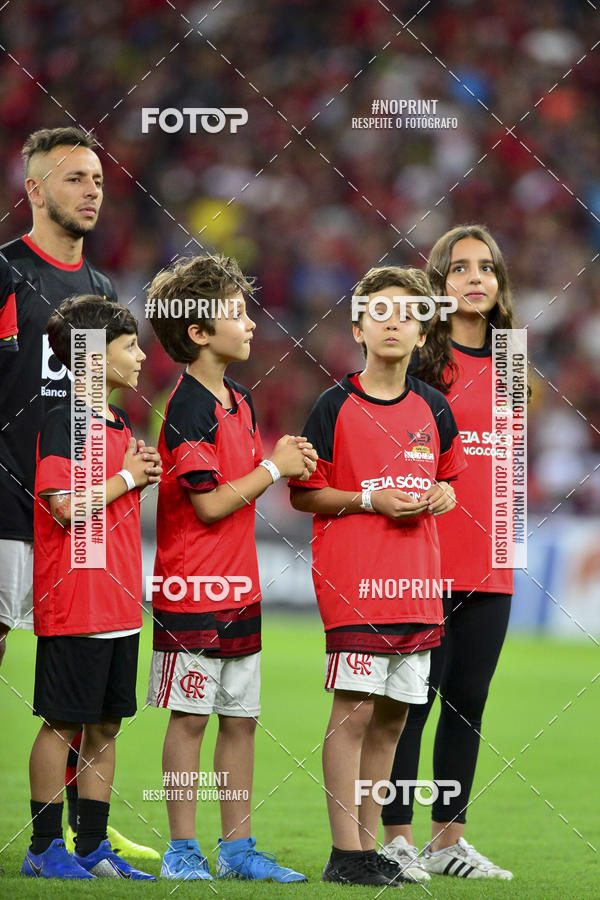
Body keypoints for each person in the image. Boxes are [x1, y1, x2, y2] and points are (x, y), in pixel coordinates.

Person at [0, 126, 159, 861]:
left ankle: (69, 831)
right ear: (34, 190)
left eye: (97, 179)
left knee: (82, 697)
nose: (92, 190)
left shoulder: (99, 292)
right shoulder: (3, 275)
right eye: (73, 179)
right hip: (8, 511)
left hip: (76, 527)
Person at [289, 266, 467, 887]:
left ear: (423, 334)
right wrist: (369, 500)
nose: (394, 323)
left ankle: (370, 849)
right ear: (359, 326)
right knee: (355, 713)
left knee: (394, 718)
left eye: (409, 315)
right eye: (381, 312)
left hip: (419, 587)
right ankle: (345, 852)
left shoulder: (435, 408)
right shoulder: (333, 406)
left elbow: (448, 479)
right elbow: (305, 496)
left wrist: (443, 496)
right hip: (354, 586)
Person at [145, 254, 316, 883]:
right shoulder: (187, 404)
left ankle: (239, 851)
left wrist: (285, 463)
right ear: (198, 333)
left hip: (240, 588)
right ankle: (183, 850)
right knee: (190, 719)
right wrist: (274, 469)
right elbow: (211, 503)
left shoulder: (239, 399)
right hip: (192, 586)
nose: (249, 323)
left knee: (241, 722)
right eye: (236, 313)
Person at [381, 224, 518, 881]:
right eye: (460, 268)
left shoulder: (513, 361)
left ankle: (448, 842)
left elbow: (510, 466)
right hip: (425, 559)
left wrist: (508, 547)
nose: (475, 279)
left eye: (486, 268)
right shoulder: (420, 362)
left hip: (491, 562)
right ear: (438, 285)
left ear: (499, 282)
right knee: (413, 700)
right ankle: (398, 839)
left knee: (470, 700)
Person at [22, 295, 162, 880]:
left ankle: (91, 846)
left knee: (105, 726)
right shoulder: (65, 421)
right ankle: (43, 849)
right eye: (128, 345)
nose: (139, 355)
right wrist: (129, 476)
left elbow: (106, 502)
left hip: (120, 600)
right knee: (62, 722)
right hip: (76, 599)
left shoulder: (116, 422)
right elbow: (64, 508)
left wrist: (134, 478)